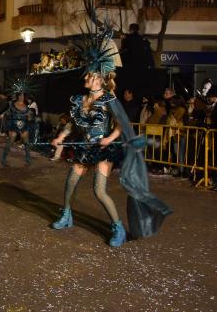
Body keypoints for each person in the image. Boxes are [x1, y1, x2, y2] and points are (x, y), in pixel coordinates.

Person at [50, 23, 172, 247]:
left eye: (90, 76)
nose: (86, 79)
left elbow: (121, 126)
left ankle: (118, 228)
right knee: (70, 182)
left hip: (103, 150)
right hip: (84, 148)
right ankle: (66, 215)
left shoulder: (109, 100)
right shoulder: (80, 100)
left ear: (100, 79)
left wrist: (109, 138)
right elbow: (73, 125)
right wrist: (61, 137)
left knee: (99, 191)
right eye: (87, 76)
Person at [0, 79, 35, 166]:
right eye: (20, 95)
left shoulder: (27, 107)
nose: (21, 97)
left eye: (23, 95)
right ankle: (3, 158)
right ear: (18, 95)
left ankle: (28, 159)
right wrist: (3, 115)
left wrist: (31, 117)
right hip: (13, 125)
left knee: (26, 143)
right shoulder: (12, 105)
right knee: (10, 142)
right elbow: (7, 112)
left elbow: (30, 117)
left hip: (24, 126)